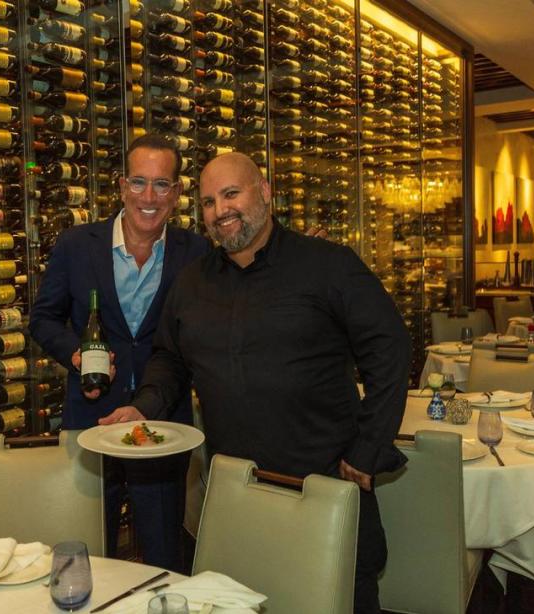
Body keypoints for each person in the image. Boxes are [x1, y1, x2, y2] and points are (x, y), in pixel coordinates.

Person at [100, 152, 412, 614]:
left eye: (231, 194)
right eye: (208, 201)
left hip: (322, 485)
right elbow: (169, 357)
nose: (219, 210)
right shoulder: (191, 282)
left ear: (264, 192)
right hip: (235, 495)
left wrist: (368, 449)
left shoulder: (328, 265)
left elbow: (390, 349)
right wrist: (143, 407)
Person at [29, 134, 211, 572]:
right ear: (121, 185)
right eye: (139, 182)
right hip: (90, 418)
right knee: (88, 551)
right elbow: (43, 319)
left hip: (164, 422)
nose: (149, 197)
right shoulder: (77, 245)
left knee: (164, 554)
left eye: (162, 184)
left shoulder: (198, 252)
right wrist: (76, 353)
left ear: (178, 192)